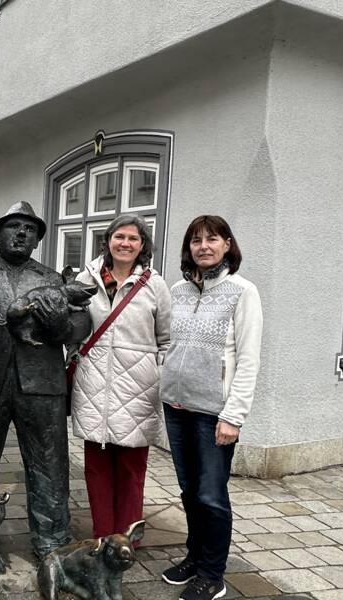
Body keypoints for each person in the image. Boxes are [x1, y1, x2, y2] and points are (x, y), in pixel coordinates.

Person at [0, 201, 91, 559]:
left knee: (48, 463)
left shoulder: (52, 280)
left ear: (38, 239)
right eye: (13, 226)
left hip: (42, 384)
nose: (22, 233)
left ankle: (51, 537)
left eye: (29, 229)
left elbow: (79, 325)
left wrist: (59, 324)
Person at [160, 216, 262, 600]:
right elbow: (170, 342)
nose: (203, 246)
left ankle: (212, 573)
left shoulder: (242, 292)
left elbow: (249, 359)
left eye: (212, 239)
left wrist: (233, 416)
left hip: (213, 412)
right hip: (176, 405)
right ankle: (194, 556)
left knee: (211, 494)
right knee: (189, 490)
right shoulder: (179, 290)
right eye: (196, 240)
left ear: (227, 245)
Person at [70, 215, 171, 543]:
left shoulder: (155, 285)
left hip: (138, 388)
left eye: (133, 238)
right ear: (108, 240)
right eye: (119, 236)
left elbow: (167, 340)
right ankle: (103, 535)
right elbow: (72, 329)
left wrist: (158, 376)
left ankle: (127, 537)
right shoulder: (86, 279)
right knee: (97, 469)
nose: (125, 243)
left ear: (143, 245)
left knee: (131, 469)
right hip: (94, 385)